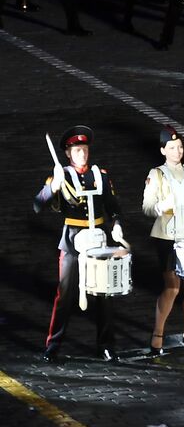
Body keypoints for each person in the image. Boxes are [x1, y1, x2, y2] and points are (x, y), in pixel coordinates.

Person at [33, 125, 127, 362]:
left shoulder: (100, 175)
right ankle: (53, 346)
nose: (82, 154)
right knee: (65, 294)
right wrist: (54, 185)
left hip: (98, 238)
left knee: (104, 294)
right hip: (73, 240)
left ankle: (106, 346)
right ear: (68, 154)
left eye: (84, 149)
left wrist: (116, 224)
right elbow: (37, 204)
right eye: (76, 150)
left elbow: (113, 206)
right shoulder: (61, 175)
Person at [142, 127, 184, 355]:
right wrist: (162, 206)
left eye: (180, 146)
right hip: (167, 236)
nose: (177, 151)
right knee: (172, 287)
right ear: (163, 150)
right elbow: (147, 206)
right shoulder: (157, 174)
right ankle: (158, 334)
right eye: (172, 148)